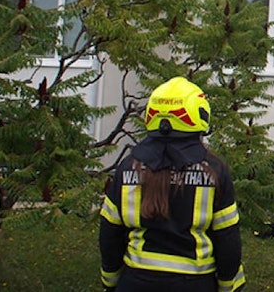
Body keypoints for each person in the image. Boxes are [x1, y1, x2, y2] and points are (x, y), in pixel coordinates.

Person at [99, 77, 245, 292]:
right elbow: (227, 240)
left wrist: (110, 281)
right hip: (195, 284)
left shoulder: (127, 167)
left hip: (136, 282)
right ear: (199, 116)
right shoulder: (214, 171)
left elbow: (110, 234)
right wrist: (227, 285)